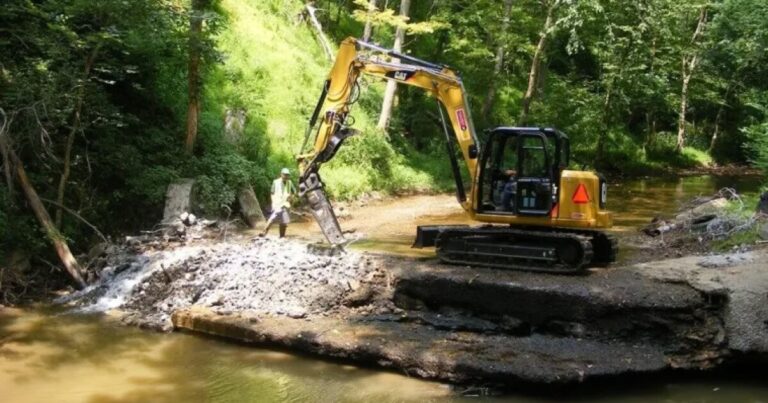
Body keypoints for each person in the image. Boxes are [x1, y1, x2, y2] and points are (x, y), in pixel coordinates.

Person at [260, 168, 296, 238]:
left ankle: (282, 237)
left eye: (287, 175)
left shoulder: (290, 182)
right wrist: (273, 202)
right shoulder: (275, 182)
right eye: (285, 175)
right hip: (277, 203)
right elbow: (272, 193)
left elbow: (294, 192)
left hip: (285, 204)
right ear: (281, 174)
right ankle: (264, 232)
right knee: (272, 218)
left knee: (284, 221)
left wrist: (291, 197)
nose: (286, 176)